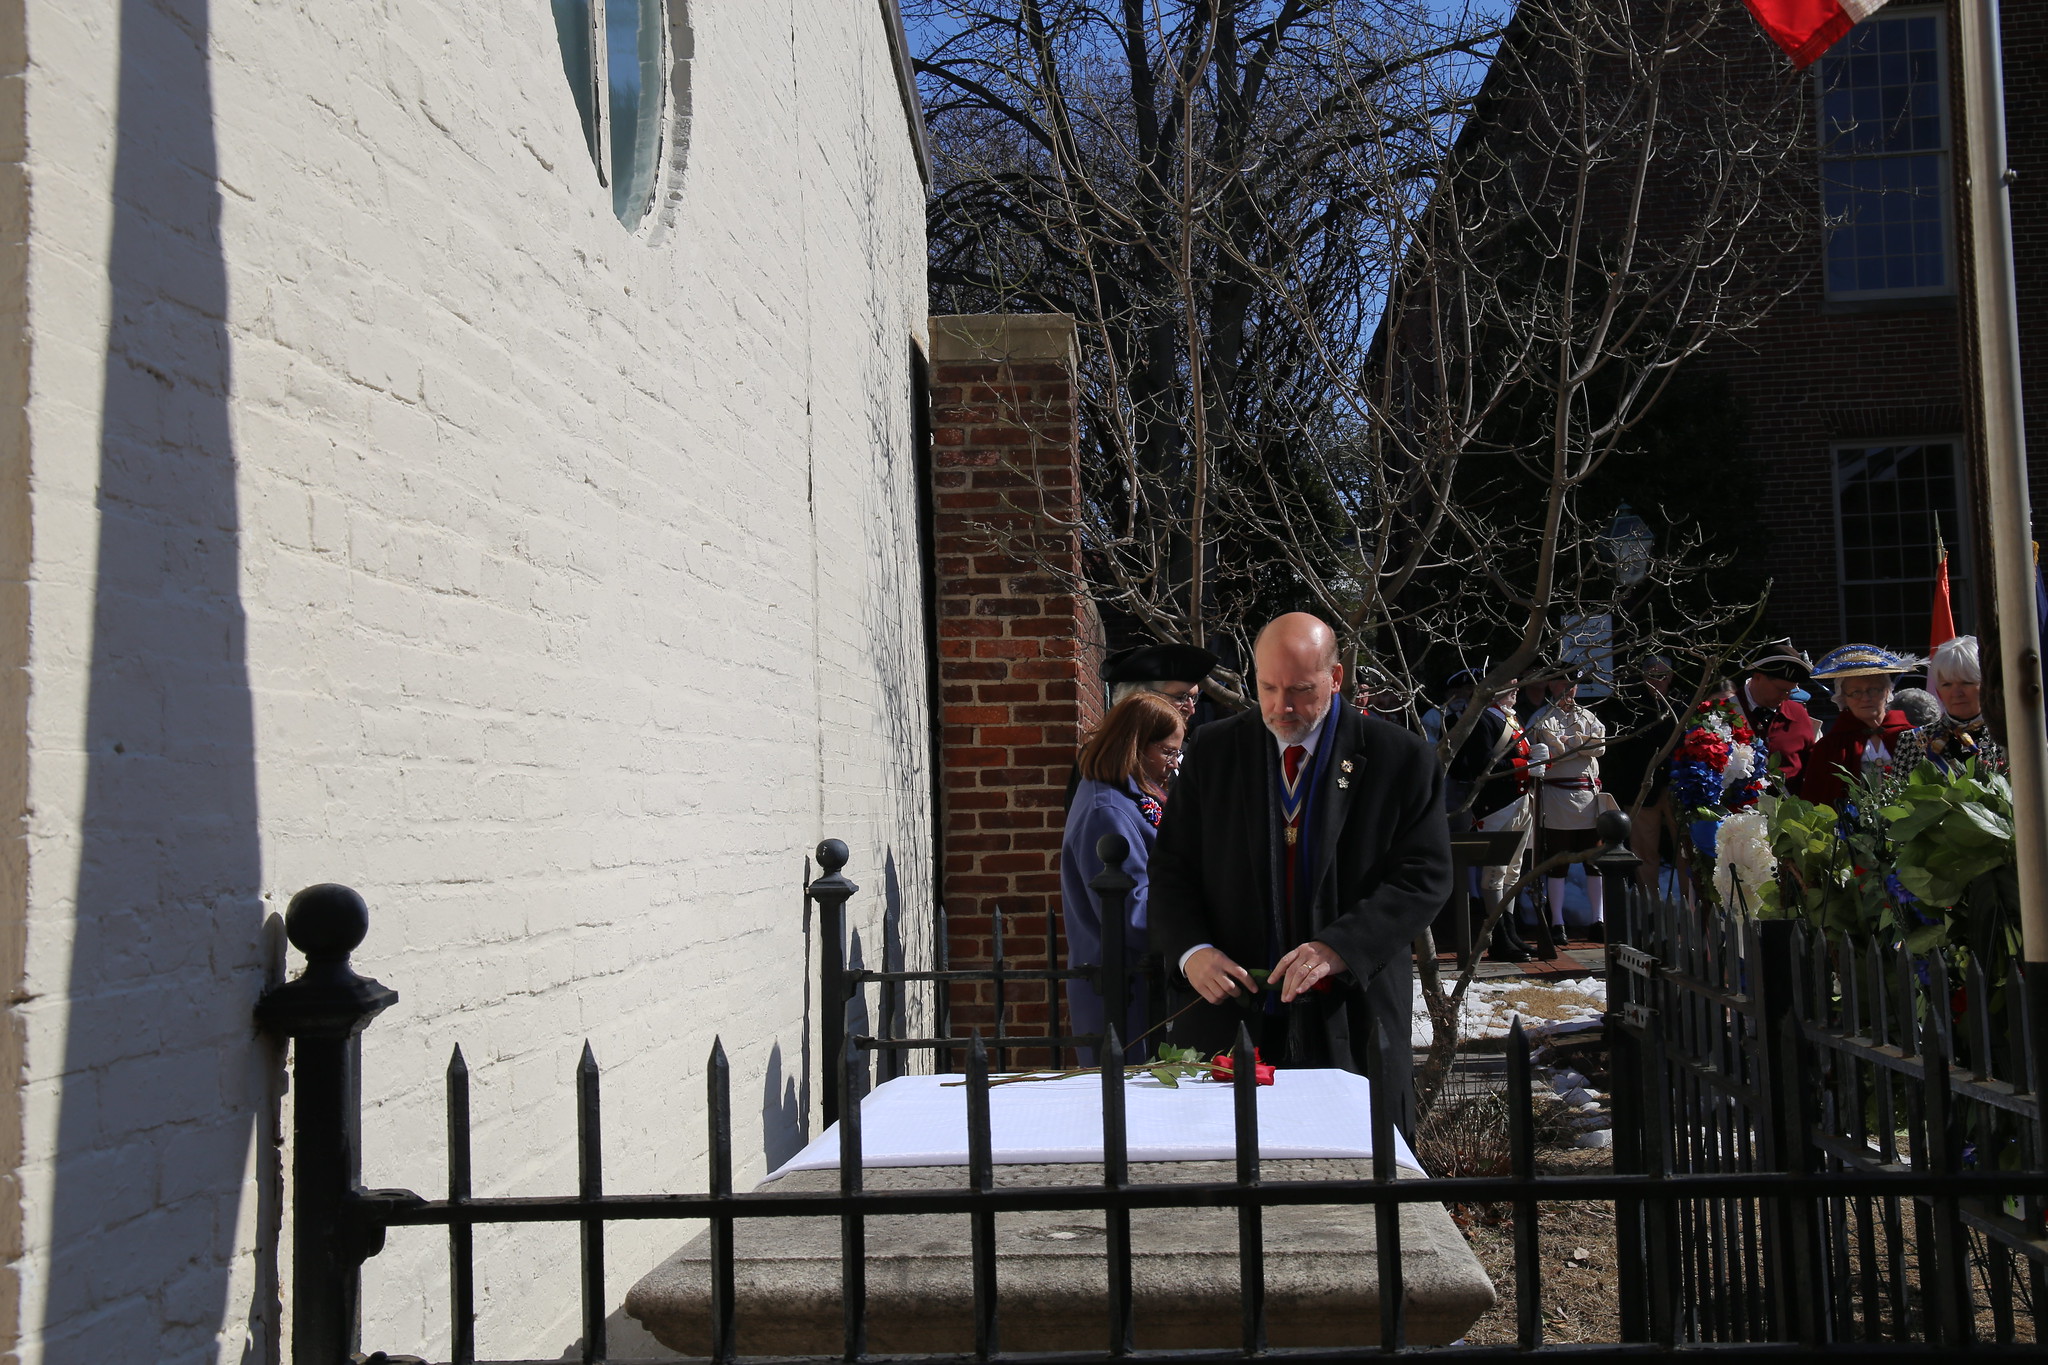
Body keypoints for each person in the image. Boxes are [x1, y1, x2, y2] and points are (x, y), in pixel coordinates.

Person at [1148, 613, 1452, 1137]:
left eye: (1300, 690)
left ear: (1335, 680)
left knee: (1358, 1183)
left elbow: (1423, 877)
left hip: (1351, 1014)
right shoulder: (1214, 752)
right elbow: (1173, 871)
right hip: (1232, 1014)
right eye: (1268, 687)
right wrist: (1192, 952)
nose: (1281, 707)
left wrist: (1340, 947)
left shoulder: (1400, 759)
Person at [1059, 692, 1186, 1062]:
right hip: (1122, 992)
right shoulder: (1107, 811)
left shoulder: (1126, 796)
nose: (1173, 764)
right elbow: (1132, 916)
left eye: (1177, 753)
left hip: (1135, 985)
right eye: (1167, 752)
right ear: (1135, 746)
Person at [1447, 669, 1538, 961]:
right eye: (1510, 685)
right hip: (1496, 805)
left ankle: (1509, 932)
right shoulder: (1484, 718)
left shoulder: (1510, 716)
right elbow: (1480, 766)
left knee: (1512, 871)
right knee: (1495, 874)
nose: (1516, 690)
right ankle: (1497, 936)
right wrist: (1525, 764)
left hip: (1519, 800)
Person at [1066, 642, 1219, 810]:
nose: (1192, 709)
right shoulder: (1105, 756)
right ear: (1143, 698)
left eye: (1194, 698)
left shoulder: (1189, 755)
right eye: (1181, 697)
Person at [1527, 668, 1610, 943]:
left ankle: (1598, 920)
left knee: (1593, 862)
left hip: (1588, 796)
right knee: (1558, 862)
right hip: (1557, 797)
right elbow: (1550, 750)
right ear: (1551, 684)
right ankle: (1557, 922)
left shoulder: (1588, 716)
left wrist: (1566, 742)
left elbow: (1599, 745)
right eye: (1563, 681)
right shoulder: (1541, 718)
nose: (1568, 688)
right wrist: (1578, 743)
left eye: (1573, 683)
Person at [1796, 644, 1921, 808]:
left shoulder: (1912, 737)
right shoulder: (1829, 747)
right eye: (1856, 692)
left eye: (1874, 690)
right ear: (1843, 698)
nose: (1865, 698)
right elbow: (1816, 799)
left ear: (1887, 692)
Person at [1895, 634, 2005, 774]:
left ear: (1986, 684)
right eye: (1947, 684)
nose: (1956, 693)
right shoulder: (1912, 742)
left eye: (1966, 683)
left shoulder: (2006, 738)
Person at [1736, 640, 1818, 791]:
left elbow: (1813, 770)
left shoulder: (1798, 714)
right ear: (1758, 676)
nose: (1786, 697)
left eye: (1790, 691)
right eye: (1781, 689)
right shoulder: (1723, 711)